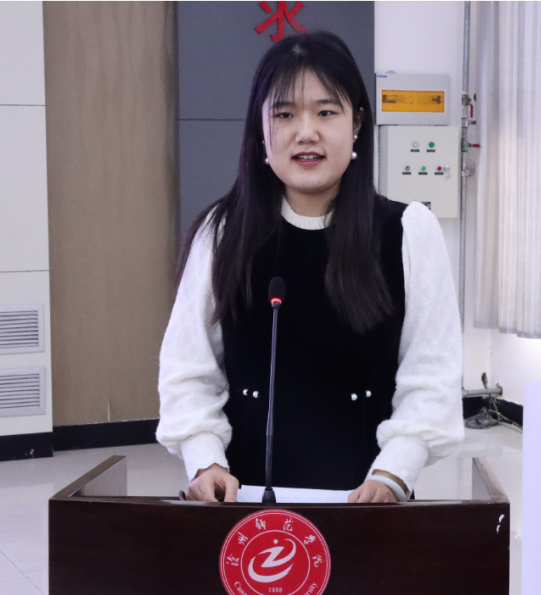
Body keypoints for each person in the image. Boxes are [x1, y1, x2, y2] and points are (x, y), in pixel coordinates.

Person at [157, 32, 463, 504]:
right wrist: (205, 461)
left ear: (356, 123)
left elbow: (432, 374)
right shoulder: (222, 232)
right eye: (284, 114)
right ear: (260, 130)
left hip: (368, 505)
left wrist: (394, 474)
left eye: (325, 112)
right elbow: (189, 370)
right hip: (245, 507)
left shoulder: (409, 232)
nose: (306, 132)